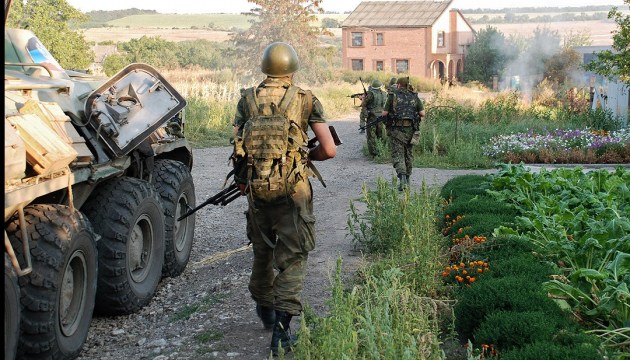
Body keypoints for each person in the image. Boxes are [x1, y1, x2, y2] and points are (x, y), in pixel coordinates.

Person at [231, 42, 337, 356]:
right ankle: (281, 332)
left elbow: (237, 148)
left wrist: (243, 181)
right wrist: (305, 160)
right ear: (291, 68)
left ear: (265, 67)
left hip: (256, 190)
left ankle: (264, 308)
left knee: (263, 249)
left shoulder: (247, 99)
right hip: (294, 192)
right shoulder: (304, 99)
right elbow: (329, 149)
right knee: (293, 257)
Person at [382, 77, 425, 191]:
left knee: (398, 155)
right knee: (408, 154)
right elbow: (422, 113)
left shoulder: (392, 96)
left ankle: (403, 181)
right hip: (411, 130)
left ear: (399, 85)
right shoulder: (414, 96)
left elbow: (385, 113)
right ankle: (408, 179)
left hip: (397, 130)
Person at [360, 79, 387, 156]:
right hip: (381, 117)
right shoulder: (384, 94)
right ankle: (381, 151)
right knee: (380, 135)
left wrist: (363, 98)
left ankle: (373, 154)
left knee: (371, 136)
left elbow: (364, 105)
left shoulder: (370, 94)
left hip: (372, 118)